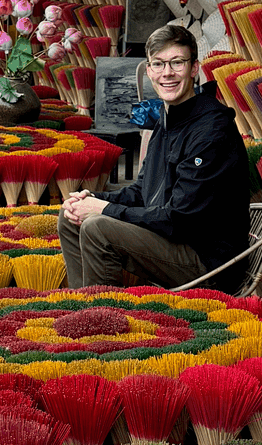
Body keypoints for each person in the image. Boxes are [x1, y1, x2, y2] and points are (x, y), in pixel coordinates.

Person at [58, 23, 250, 289]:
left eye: (177, 63)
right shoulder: (168, 118)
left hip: (207, 262)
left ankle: (103, 317)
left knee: (97, 227)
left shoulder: (212, 131)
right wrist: (93, 199)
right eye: (158, 64)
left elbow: (180, 220)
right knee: (70, 218)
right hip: (171, 240)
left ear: (194, 68)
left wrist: (104, 210)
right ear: (148, 70)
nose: (167, 73)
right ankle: (82, 306)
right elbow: (141, 192)